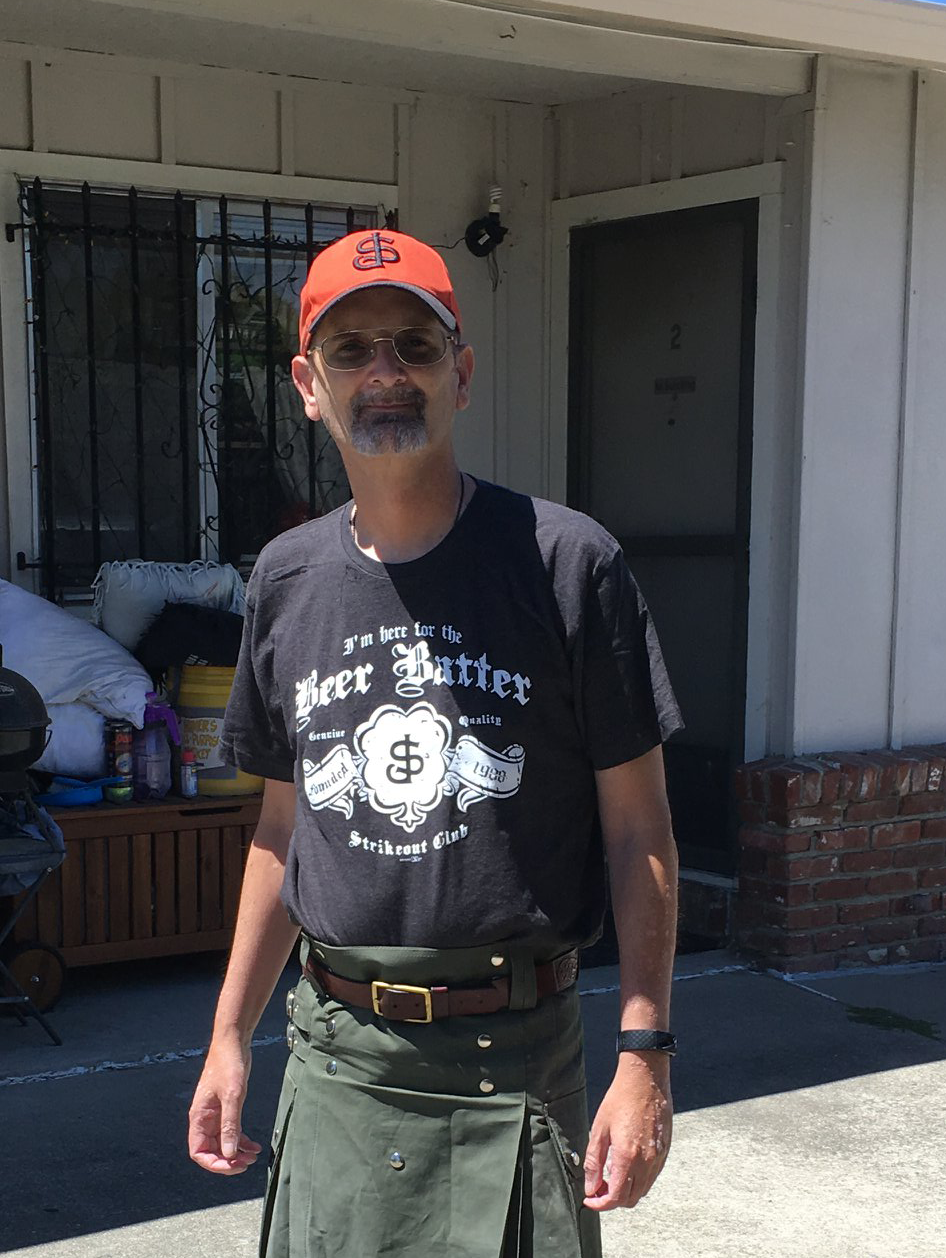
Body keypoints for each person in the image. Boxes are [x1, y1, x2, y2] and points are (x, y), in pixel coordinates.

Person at [185, 226, 684, 1257]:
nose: (385, 374)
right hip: (337, 1062)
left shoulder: (564, 563)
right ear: (306, 384)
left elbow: (637, 828)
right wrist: (229, 1033)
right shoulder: (284, 579)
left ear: (458, 373)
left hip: (513, 1065)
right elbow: (282, 831)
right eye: (351, 349)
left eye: (413, 347)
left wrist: (645, 1054)